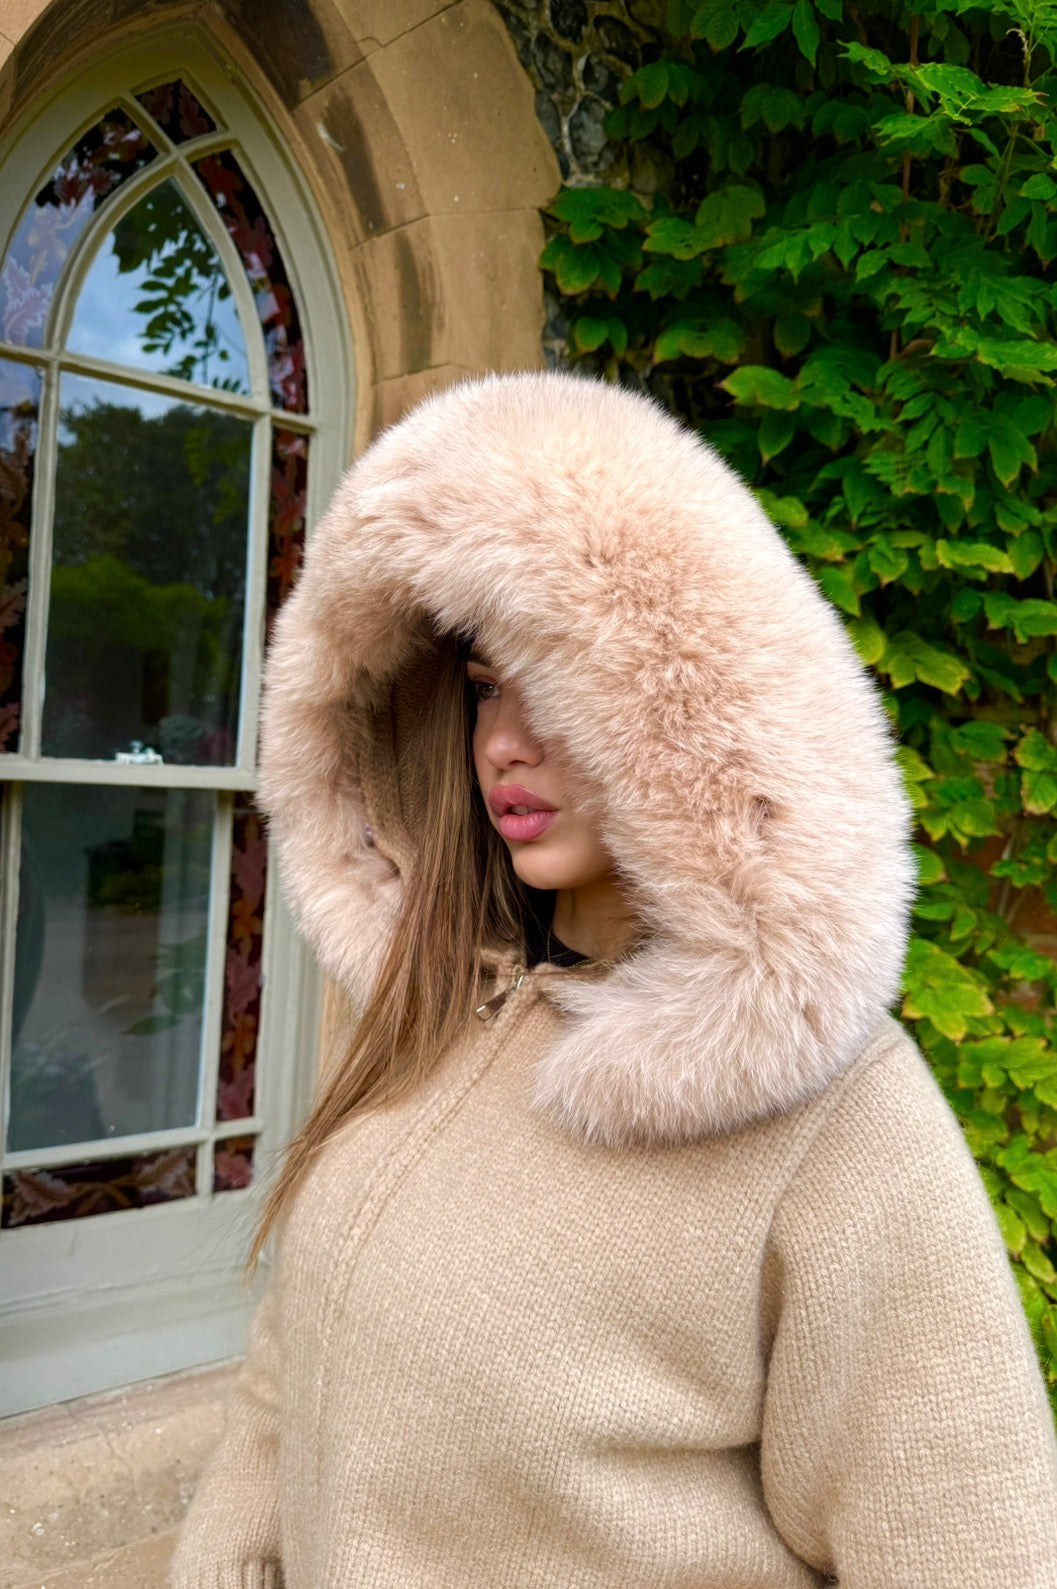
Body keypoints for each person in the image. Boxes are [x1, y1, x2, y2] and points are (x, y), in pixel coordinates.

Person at [169, 370, 1057, 1589]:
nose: (499, 743)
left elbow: (974, 1552)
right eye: (482, 687)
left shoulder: (838, 1123)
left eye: (556, 674)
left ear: (691, 705)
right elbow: (288, 1378)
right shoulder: (421, 1026)